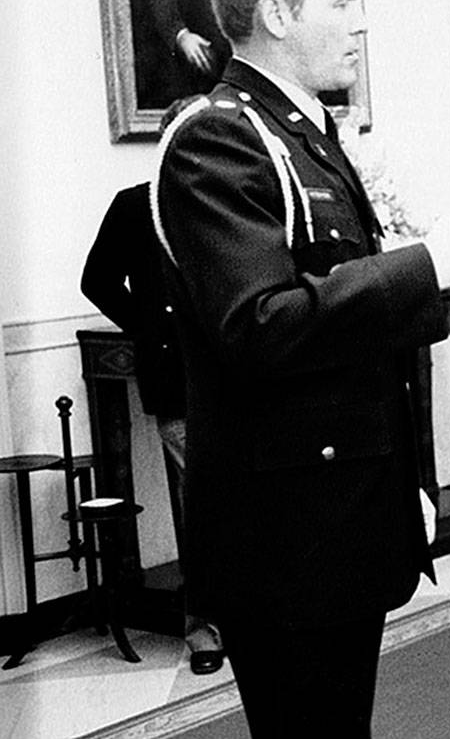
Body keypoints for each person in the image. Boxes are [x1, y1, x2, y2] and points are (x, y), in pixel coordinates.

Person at [153, 0, 450, 736]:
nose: (362, 21)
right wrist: (429, 264)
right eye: (344, 1)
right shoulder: (219, 137)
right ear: (279, 15)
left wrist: (442, 263)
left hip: (335, 523)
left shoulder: (301, 132)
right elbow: (261, 323)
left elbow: (337, 296)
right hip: (284, 538)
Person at [81, 110, 226, 676]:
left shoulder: (225, 203)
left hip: (239, 382)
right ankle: (202, 630)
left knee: (252, 507)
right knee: (199, 510)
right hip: (178, 387)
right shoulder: (132, 205)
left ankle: (260, 619)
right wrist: (148, 329)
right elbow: (96, 280)